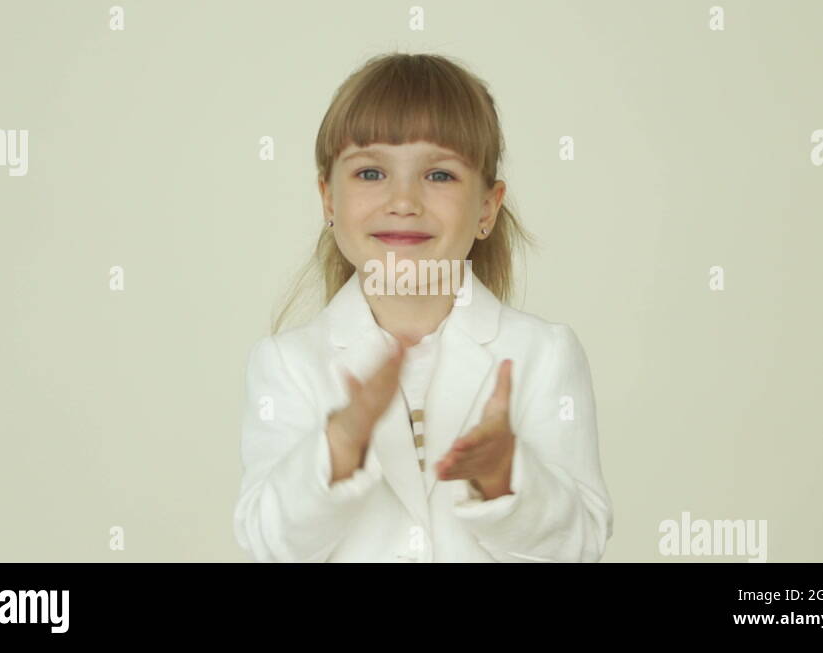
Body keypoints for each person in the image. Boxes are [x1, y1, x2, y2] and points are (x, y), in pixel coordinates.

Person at [233, 52, 612, 562]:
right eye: (370, 173)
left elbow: (580, 548)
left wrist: (506, 477)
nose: (404, 200)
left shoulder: (545, 353)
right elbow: (268, 545)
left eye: (439, 176)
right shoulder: (286, 363)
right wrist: (339, 446)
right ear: (327, 199)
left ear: (487, 207)